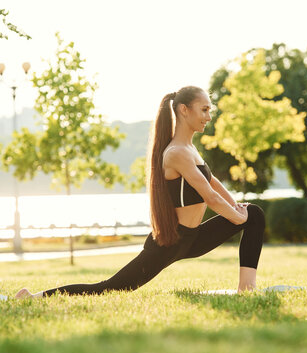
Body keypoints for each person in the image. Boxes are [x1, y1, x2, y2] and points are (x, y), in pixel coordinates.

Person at [15, 85, 265, 299]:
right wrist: (237, 218)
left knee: (254, 213)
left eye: (210, 110)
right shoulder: (176, 153)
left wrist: (238, 208)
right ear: (184, 110)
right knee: (108, 289)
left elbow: (213, 184)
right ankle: (34, 296)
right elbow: (210, 198)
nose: (209, 116)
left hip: (194, 239)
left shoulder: (190, 149)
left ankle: (247, 287)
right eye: (205, 109)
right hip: (171, 242)